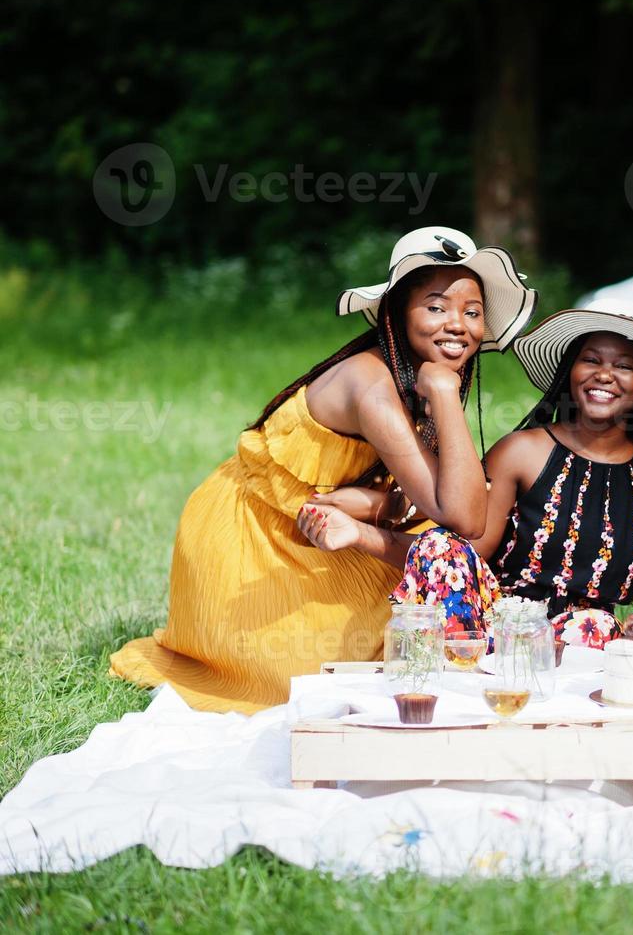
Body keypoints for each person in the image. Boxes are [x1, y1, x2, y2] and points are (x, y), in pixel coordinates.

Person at [110, 228, 537, 712]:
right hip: (256, 539)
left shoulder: (409, 374)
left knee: (445, 582)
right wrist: (442, 392)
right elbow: (464, 514)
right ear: (397, 312)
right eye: (436, 307)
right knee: (326, 679)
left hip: (320, 526)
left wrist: (380, 503)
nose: (457, 324)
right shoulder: (372, 387)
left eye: (472, 311)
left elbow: (458, 513)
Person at [298, 299, 633, 644]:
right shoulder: (522, 451)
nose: (604, 374)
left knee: (597, 622)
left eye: (624, 366)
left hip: (595, 643)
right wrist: (362, 534)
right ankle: (458, 688)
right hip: (498, 631)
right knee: (443, 546)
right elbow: (466, 551)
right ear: (571, 374)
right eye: (591, 360)